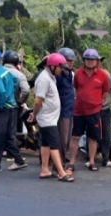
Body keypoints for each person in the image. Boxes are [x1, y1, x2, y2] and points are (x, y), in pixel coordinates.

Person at [27, 53, 74, 182]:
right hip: (47, 119)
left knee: (46, 144)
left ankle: (44, 170)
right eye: (60, 67)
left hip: (49, 117)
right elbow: (38, 101)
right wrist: (35, 115)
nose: (62, 69)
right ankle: (61, 172)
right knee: (55, 145)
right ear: (53, 66)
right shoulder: (44, 79)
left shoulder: (50, 76)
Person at [67, 48, 110, 173]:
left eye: (92, 60)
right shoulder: (78, 74)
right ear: (84, 60)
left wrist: (96, 102)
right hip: (79, 111)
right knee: (75, 137)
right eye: (87, 59)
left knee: (93, 137)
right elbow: (76, 87)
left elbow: (105, 92)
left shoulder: (103, 75)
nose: (90, 62)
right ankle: (71, 162)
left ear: (97, 61)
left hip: (94, 111)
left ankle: (91, 161)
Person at [56, 47, 76, 167]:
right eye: (68, 60)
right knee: (62, 141)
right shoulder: (58, 76)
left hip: (70, 110)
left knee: (68, 141)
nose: (71, 62)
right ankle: (60, 165)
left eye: (72, 60)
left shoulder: (70, 74)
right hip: (61, 111)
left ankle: (60, 163)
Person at [2, 50, 30, 138]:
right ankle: (11, 148)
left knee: (0, 129)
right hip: (13, 106)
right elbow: (26, 90)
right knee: (11, 130)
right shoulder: (19, 75)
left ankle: (1, 149)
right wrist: (20, 102)